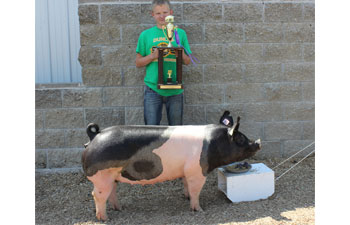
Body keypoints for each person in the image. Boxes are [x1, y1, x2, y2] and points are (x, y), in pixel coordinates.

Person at [136, 0, 191, 125]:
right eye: (158, 13)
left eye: (165, 12)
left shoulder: (180, 33)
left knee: (176, 132)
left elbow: (187, 61)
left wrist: (180, 52)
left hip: (175, 90)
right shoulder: (145, 35)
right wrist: (153, 56)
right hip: (152, 89)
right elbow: (138, 63)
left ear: (171, 13)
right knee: (151, 131)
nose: (162, 16)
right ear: (152, 15)